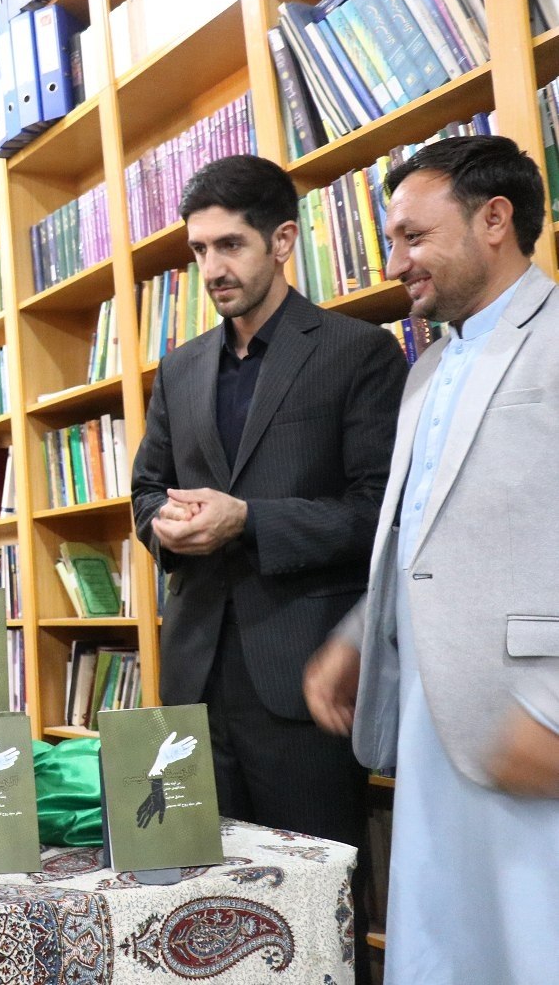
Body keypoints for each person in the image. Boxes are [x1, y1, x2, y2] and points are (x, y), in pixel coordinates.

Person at [130, 154, 406, 979]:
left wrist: (248, 520)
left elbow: (378, 514)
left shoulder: (358, 353)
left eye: (231, 245)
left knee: (322, 917)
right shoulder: (180, 367)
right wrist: (163, 526)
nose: (212, 267)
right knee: (200, 913)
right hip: (192, 683)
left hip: (303, 683)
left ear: (282, 240)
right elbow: (146, 490)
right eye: (199, 250)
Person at [304, 135, 559, 984]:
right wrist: (358, 635)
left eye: (414, 236)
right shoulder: (427, 369)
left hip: (534, 727)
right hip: (431, 719)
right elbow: (423, 536)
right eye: (391, 240)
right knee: (443, 950)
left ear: (496, 220)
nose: (395, 263)